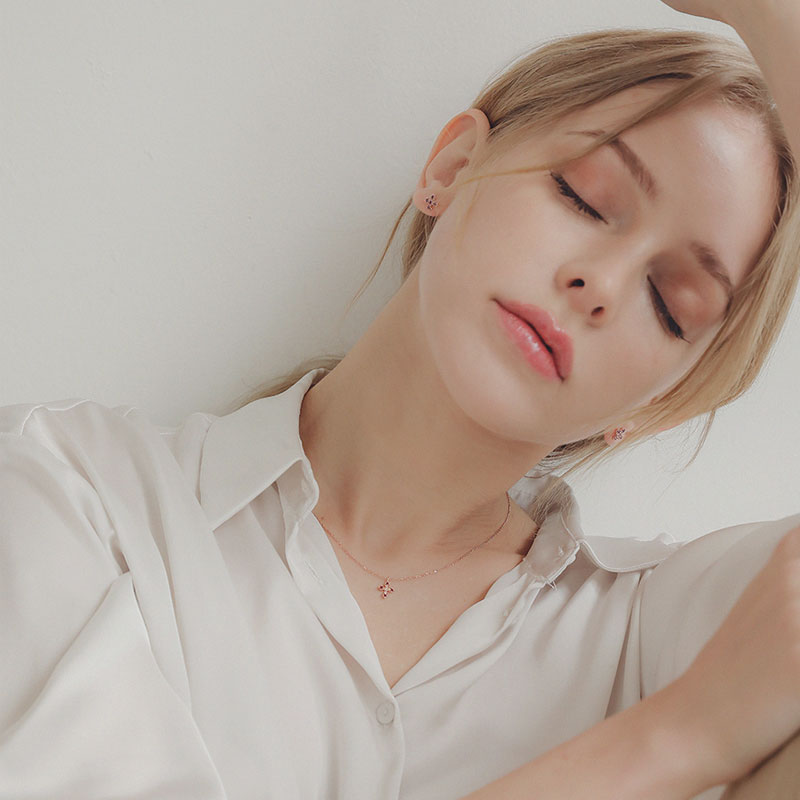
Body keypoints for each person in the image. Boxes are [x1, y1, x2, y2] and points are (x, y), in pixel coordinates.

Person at [2, 3, 800, 800]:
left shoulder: (659, 631)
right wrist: (678, 741)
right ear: (451, 169)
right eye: (585, 196)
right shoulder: (76, 491)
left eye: (671, 304)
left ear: (661, 401)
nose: (603, 284)